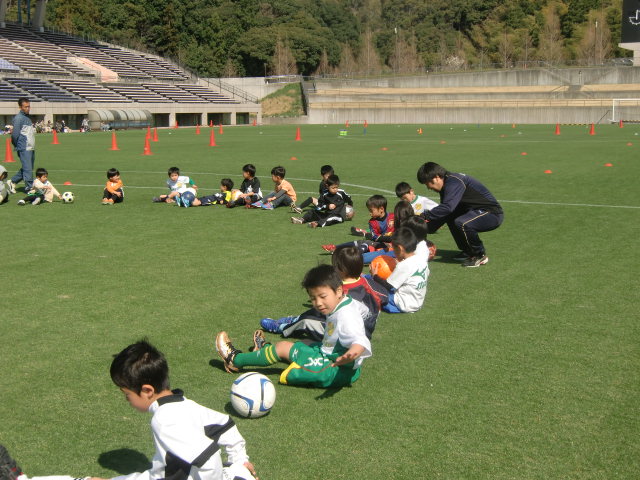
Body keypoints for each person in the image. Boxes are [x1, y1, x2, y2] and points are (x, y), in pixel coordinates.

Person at [0, 341, 258, 480]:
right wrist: (238, 460)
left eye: (126, 395)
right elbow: (226, 425)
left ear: (146, 390)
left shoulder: (165, 420)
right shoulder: (184, 403)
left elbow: (207, 457)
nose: (126, 400)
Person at [216, 264, 371, 388]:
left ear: (338, 291)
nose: (318, 303)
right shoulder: (345, 302)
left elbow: (359, 340)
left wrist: (350, 355)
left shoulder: (346, 316)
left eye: (322, 297)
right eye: (313, 298)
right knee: (299, 345)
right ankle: (264, 352)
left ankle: (235, 360)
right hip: (335, 356)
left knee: (283, 348)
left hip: (335, 369)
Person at [260, 244, 388, 340]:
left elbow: (325, 313)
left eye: (334, 265)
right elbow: (385, 296)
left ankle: (283, 327)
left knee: (307, 320)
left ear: (341, 269)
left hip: (348, 335)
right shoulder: (368, 282)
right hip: (365, 330)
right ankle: (294, 319)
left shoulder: (342, 292)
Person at [417, 162, 503, 268]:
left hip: (491, 214)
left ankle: (479, 255)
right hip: (474, 212)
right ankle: (468, 251)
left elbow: (447, 207)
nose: (428, 187)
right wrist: (425, 227)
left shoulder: (453, 182)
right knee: (452, 217)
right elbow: (446, 213)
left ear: (436, 177)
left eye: (427, 183)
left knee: (462, 222)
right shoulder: (447, 183)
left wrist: (424, 216)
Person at [371, 227, 429, 314]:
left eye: (394, 249)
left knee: (369, 287)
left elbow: (388, 286)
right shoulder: (421, 259)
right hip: (417, 302)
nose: (393, 252)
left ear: (400, 248)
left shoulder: (404, 265)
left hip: (401, 304)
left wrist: (375, 276)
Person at [8, 98, 36, 195]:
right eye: (26, 107)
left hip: (30, 147)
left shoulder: (27, 118)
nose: (28, 108)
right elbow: (15, 135)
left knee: (27, 167)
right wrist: (18, 145)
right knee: (27, 168)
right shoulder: (19, 118)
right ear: (20, 107)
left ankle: (12, 182)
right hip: (24, 148)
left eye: (29, 106)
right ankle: (29, 188)